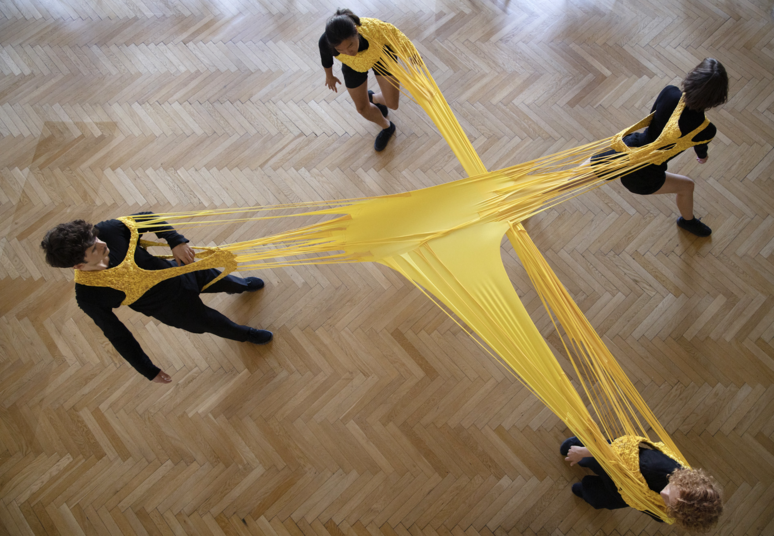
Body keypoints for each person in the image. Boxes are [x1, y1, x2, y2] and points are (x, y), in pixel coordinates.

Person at [40, 213, 273, 383]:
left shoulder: (107, 231)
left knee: (228, 281)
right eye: (94, 249)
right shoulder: (89, 295)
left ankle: (241, 286)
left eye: (96, 238)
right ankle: (246, 334)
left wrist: (176, 241)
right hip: (174, 310)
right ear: (79, 265)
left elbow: (147, 218)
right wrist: (147, 369)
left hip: (183, 271)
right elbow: (117, 333)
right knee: (217, 324)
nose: (101, 243)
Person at [593, 58, 728, 237]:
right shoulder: (706, 130)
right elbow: (701, 149)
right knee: (687, 186)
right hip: (644, 175)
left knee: (587, 169)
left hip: (629, 147)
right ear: (717, 99)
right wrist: (702, 156)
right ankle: (687, 222)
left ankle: (556, 186)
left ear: (692, 77)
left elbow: (653, 117)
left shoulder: (669, 92)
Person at [561, 436, 723, 532]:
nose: (664, 494)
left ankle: (587, 488)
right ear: (683, 483)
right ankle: (578, 445)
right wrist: (582, 452)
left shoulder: (669, 513)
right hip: (617, 463)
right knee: (589, 459)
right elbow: (615, 452)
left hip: (631, 491)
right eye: (671, 491)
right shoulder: (653, 466)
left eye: (669, 502)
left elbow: (651, 508)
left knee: (598, 499)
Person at [319, 8, 410, 151]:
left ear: (356, 31)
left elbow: (395, 34)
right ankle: (387, 127)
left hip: (381, 54)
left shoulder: (375, 29)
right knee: (361, 108)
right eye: (341, 50)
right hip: (353, 65)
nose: (348, 52)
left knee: (392, 104)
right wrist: (329, 76)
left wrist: (410, 53)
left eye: (350, 45)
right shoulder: (327, 42)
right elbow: (326, 58)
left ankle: (373, 98)